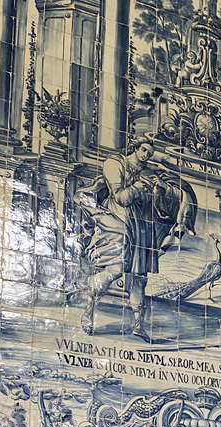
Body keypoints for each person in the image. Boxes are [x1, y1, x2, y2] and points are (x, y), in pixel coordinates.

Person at [75, 139, 196, 342]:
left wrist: (163, 187)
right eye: (143, 150)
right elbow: (121, 197)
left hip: (141, 227)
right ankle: (89, 311)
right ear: (135, 147)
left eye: (150, 153)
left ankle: (138, 327)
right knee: (114, 270)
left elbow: (177, 193)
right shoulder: (115, 164)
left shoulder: (149, 172)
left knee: (140, 280)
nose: (146, 155)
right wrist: (140, 186)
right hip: (118, 221)